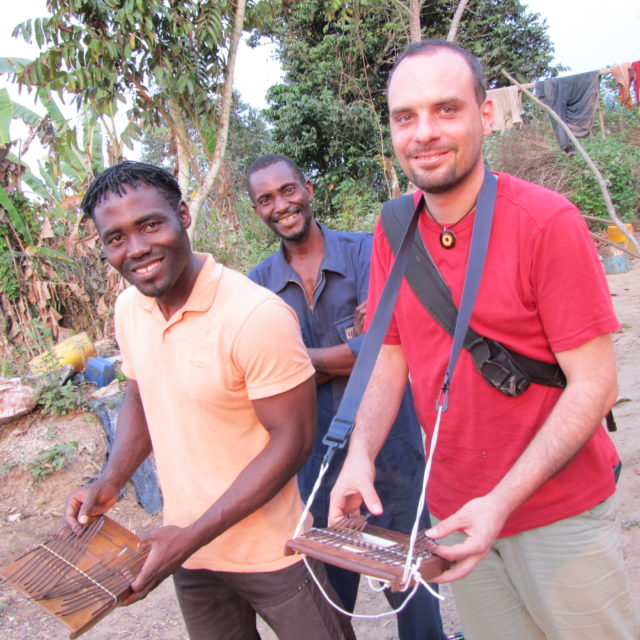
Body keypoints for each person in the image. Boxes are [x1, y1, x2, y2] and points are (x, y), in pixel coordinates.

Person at [329, 40, 638, 640]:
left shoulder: (547, 223)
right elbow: (389, 354)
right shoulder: (394, 226)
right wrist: (360, 454)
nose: (425, 132)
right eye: (405, 116)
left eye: (447, 109)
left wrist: (499, 503)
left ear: (486, 114)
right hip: (452, 513)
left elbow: (597, 384)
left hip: (558, 512)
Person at [66, 161, 355, 640]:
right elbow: (141, 393)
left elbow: (293, 441)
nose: (136, 249)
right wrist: (110, 481)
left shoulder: (254, 315)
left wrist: (189, 536)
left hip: (272, 551)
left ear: (183, 214)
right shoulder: (129, 309)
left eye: (150, 224)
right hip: (190, 555)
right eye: (116, 238)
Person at [247, 153, 446, 640]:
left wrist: (297, 360)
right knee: (332, 601)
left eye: (289, 190)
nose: (282, 205)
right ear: (257, 210)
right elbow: (260, 374)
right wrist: (349, 348)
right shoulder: (256, 287)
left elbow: (385, 346)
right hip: (312, 465)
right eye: (266, 199)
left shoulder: (366, 253)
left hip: (390, 451)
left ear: (308, 189)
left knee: (411, 584)